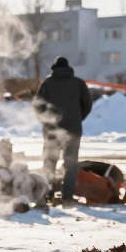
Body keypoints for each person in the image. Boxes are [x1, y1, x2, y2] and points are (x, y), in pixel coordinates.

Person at [33, 56, 92, 205]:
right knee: (71, 164)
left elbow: (37, 106)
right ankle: (67, 196)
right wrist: (77, 119)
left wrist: (46, 122)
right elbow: (88, 104)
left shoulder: (47, 84)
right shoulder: (78, 83)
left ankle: (47, 193)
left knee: (49, 162)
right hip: (73, 130)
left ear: (54, 69)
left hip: (52, 131)